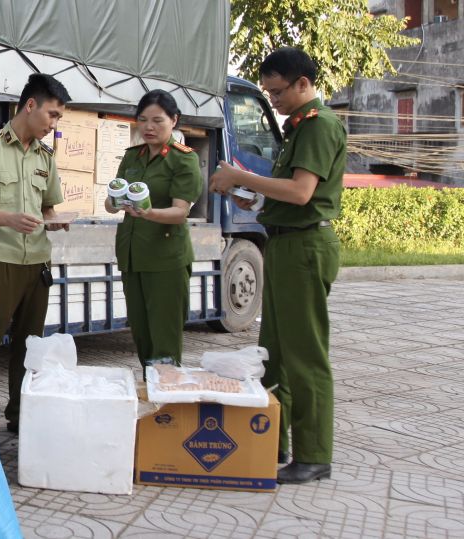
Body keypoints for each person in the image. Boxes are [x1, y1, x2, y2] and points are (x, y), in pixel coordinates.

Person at [209, 47, 346, 484]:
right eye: (269, 92)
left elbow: (302, 192)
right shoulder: (299, 128)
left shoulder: (320, 126)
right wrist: (243, 195)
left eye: (278, 91)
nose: (275, 100)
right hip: (285, 244)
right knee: (274, 354)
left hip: (306, 247)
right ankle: (275, 441)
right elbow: (282, 196)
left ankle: (314, 454)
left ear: (303, 83)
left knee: (305, 356)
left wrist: (241, 176)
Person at [0, 73, 72, 434]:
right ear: (31, 105)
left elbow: (48, 208)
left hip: (37, 264)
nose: (54, 124)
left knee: (30, 349)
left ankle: (21, 418)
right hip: (0, 263)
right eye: (52, 115)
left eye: (59, 119)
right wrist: (8, 218)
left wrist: (53, 222)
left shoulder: (46, 157)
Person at [105, 89, 203, 370]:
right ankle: (152, 392)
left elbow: (180, 211)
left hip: (165, 258)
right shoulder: (132, 157)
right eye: (143, 119)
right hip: (133, 256)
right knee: (141, 332)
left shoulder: (183, 159)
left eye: (157, 120)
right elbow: (114, 199)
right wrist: (113, 204)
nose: (149, 127)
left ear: (174, 120)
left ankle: (168, 407)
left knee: (164, 338)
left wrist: (148, 213)